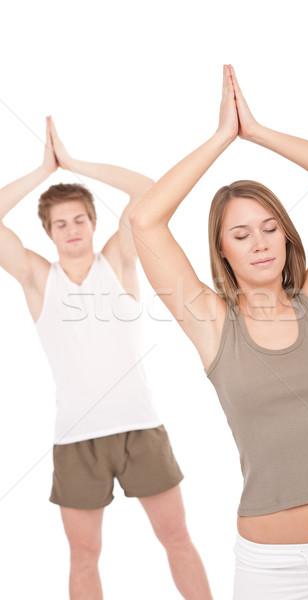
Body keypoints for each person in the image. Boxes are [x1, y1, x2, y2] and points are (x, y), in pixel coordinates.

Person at [129, 65, 308, 599]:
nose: (260, 242)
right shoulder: (211, 325)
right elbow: (144, 222)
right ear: (222, 250)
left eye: (271, 227)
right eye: (241, 233)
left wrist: (259, 133)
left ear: (286, 234)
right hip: (272, 567)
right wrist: (220, 139)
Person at [0, 116, 213, 600]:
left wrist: (74, 165)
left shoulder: (118, 261)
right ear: (49, 233)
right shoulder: (37, 278)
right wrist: (42, 171)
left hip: (141, 428)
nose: (72, 229)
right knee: (84, 557)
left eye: (80, 219)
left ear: (94, 223)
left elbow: (148, 192)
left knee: (177, 538)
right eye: (61, 223)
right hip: (77, 438)